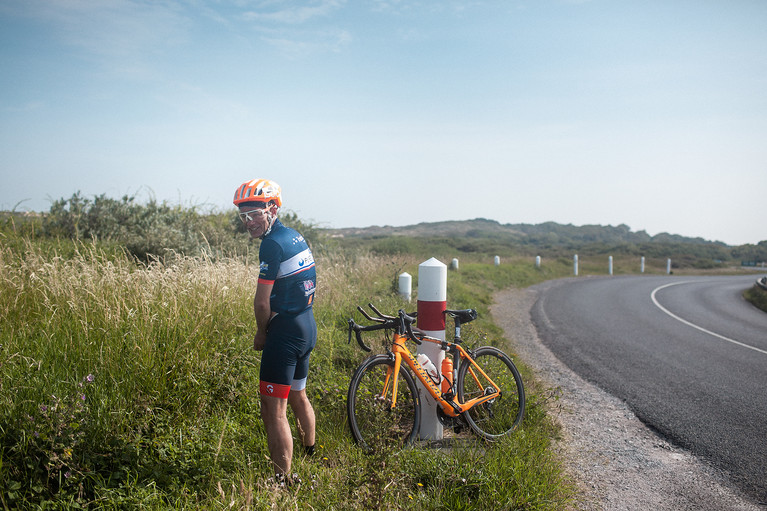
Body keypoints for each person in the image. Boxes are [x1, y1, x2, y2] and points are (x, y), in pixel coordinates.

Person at [233, 178, 317, 480]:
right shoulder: (294, 235)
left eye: (254, 213)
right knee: (299, 395)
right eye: (243, 216)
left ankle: (283, 480)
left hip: (284, 333)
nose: (248, 222)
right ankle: (311, 451)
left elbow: (261, 303)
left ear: (273, 207)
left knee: (273, 410)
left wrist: (261, 333)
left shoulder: (270, 244)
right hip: (307, 325)